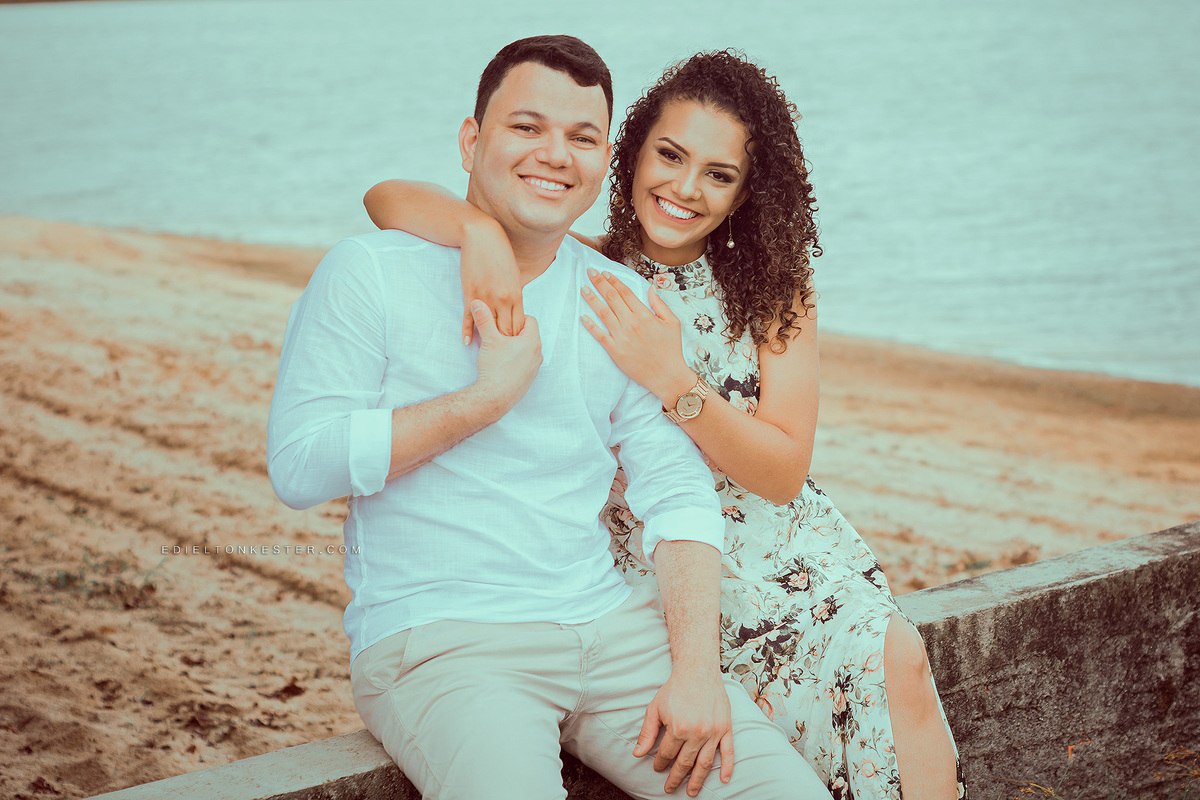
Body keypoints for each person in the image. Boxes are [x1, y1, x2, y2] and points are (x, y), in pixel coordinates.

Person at [362, 50, 967, 800]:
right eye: (670, 156)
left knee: (895, 654)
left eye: (718, 175)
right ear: (629, 154)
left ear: (747, 192)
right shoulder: (584, 262)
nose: (684, 189)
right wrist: (477, 234)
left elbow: (781, 471)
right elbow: (385, 198)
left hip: (785, 551)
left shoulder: (777, 293)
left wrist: (673, 379)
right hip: (659, 563)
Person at [268, 35, 831, 800]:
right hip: (444, 641)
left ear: (606, 163)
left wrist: (696, 673)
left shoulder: (618, 297)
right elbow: (299, 465)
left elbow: (676, 494)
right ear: (471, 141)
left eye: (582, 137)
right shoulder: (369, 273)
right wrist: (482, 402)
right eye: (526, 127)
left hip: (611, 628)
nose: (555, 155)